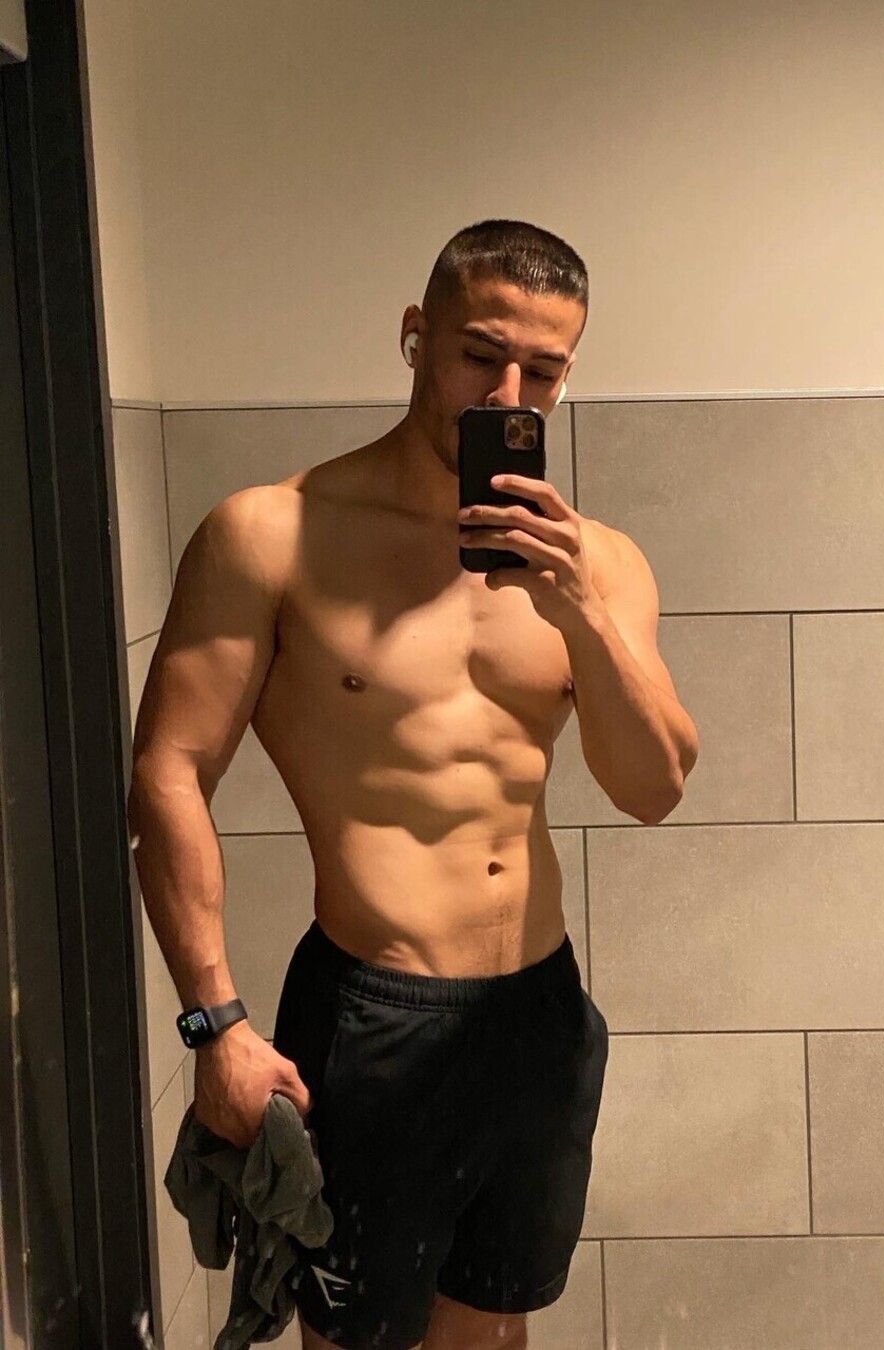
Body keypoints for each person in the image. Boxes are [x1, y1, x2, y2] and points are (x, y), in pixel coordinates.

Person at [128, 219, 699, 1350]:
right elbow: (169, 772)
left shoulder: (599, 562)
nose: (508, 393)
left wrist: (580, 610)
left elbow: (654, 786)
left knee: (495, 1332)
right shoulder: (271, 535)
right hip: (372, 1016)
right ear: (415, 336)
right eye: (481, 354)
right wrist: (214, 1025)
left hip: (537, 1013)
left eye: (544, 371)